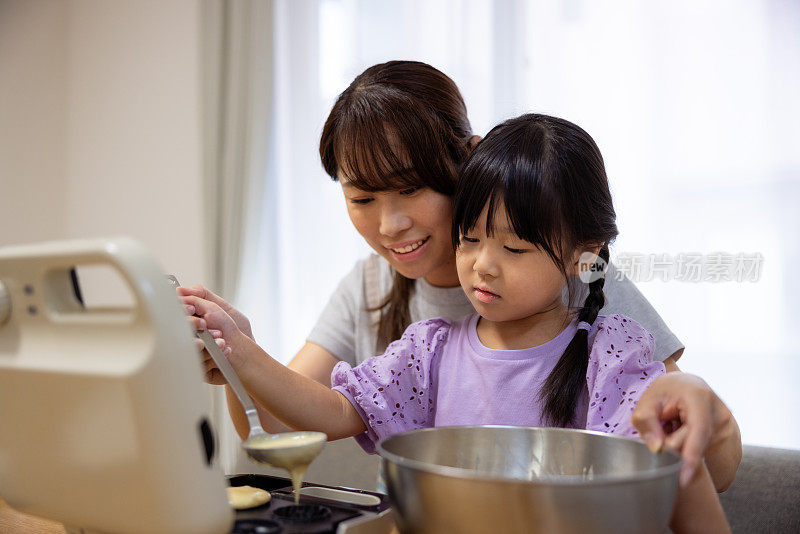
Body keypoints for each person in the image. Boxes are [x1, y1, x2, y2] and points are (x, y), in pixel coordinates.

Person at [178, 60, 740, 491]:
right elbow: (283, 423)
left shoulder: (581, 286)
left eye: (410, 188)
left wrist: (694, 399)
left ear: (466, 160)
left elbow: (682, 446)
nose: (390, 224)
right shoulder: (405, 324)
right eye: (362, 197)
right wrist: (239, 355)